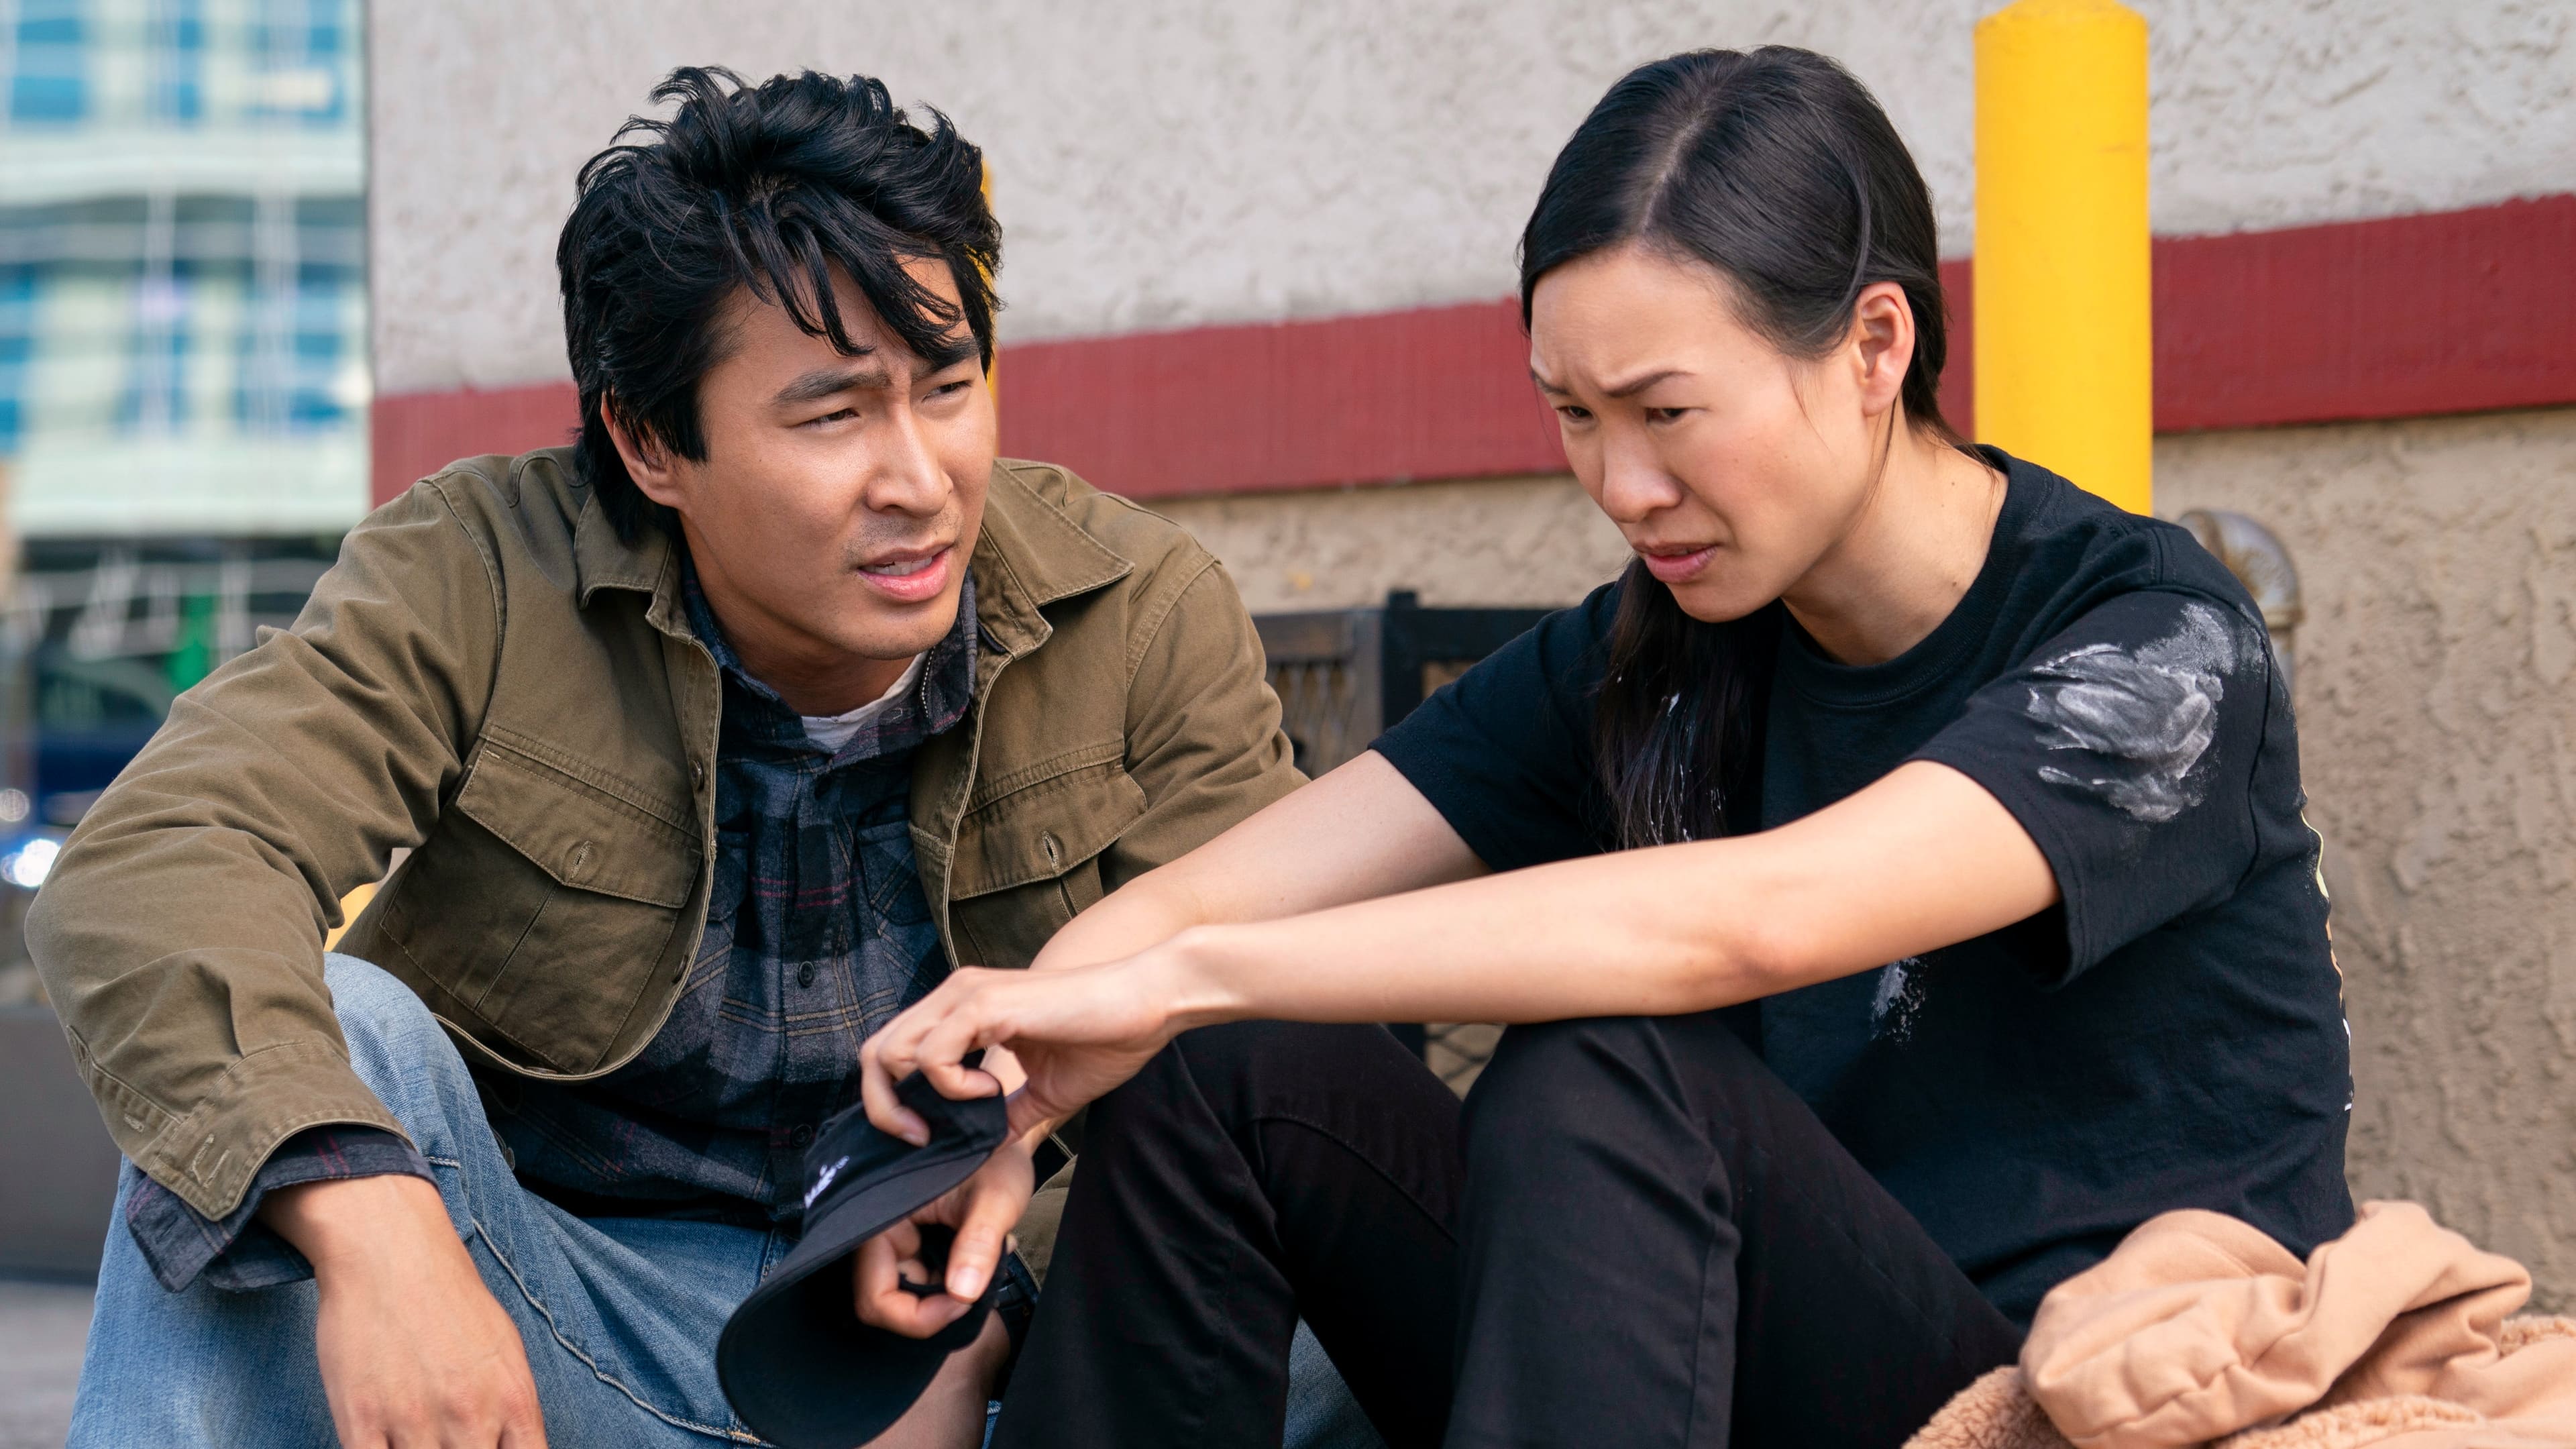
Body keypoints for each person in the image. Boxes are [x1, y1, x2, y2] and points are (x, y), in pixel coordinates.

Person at [854, 46, 2357, 1449]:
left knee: (1607, 1063)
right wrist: (1019, 1087)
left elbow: (1759, 920)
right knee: (1226, 1067)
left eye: (1667, 411)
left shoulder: (2154, 647)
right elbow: (1207, 900)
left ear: (1875, 345)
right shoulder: (1659, 650)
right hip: (1693, 1356)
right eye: (1574, 413)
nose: (1622, 484)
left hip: (2038, 1397)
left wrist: (1186, 977)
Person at [30, 66, 1352, 1449]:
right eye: (833, 415)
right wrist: (375, 1225)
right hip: (555, 1326)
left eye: (950, 386)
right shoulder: (480, 572)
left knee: (1344, 1275)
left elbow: (1266, 1036)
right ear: (651, 440)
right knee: (302, 1077)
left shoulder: (1135, 609)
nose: (920, 480)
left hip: (989, 1342)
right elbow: (161, 858)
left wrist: (994, 1311)